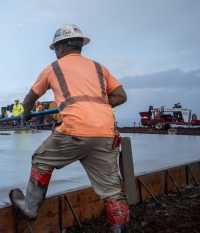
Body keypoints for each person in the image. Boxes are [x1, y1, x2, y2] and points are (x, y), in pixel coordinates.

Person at [9, 24, 129, 232]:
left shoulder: (53, 69)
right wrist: (95, 104)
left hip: (75, 129)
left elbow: (30, 98)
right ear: (80, 45)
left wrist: (25, 115)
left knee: (41, 159)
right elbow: (121, 96)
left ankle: (30, 207)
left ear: (61, 48)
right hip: (105, 133)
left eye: (56, 49)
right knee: (111, 191)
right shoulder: (100, 68)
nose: (56, 53)